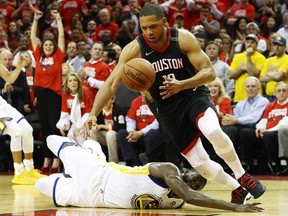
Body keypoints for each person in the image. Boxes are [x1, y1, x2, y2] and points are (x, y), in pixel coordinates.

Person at [84, 4, 266, 204]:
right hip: (166, 108)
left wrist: (182, 84)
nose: (148, 32)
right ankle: (237, 189)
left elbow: (209, 72)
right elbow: (110, 84)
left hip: (192, 94)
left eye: (153, 26)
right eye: (144, 28)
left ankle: (242, 176)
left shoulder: (182, 38)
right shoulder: (135, 49)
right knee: (199, 162)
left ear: (164, 22)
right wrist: (93, 113)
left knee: (212, 130)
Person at [35, 134, 263, 212]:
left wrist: (234, 206)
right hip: (99, 174)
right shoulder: (167, 171)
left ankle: (89, 151)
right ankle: (91, 147)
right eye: (193, 179)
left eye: (196, 184)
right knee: (54, 140)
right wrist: (234, 206)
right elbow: (190, 196)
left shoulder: (179, 200)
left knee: (40, 186)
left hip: (92, 199)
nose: (192, 184)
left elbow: (191, 197)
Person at [0, 49, 45, 184]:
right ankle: (18, 172)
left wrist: (19, 65)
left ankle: (29, 169)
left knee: (27, 129)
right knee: (16, 131)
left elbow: (10, 78)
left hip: (2, 104)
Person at [31, 10, 65, 174]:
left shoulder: (58, 56)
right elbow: (32, 38)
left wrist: (58, 19)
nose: (49, 46)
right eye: (46, 45)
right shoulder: (38, 57)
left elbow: (61, 38)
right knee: (44, 128)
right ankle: (46, 158)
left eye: (51, 44)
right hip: (41, 94)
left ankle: (57, 159)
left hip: (54, 95)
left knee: (54, 127)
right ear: (43, 47)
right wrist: (36, 20)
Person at [240, 82, 288, 175]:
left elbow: (285, 123)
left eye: (284, 90)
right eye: (279, 91)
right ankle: (248, 163)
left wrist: (267, 130)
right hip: (267, 132)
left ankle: (274, 163)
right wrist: (260, 129)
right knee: (246, 133)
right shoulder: (271, 105)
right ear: (275, 93)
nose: (281, 93)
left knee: (269, 135)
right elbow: (263, 120)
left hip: (279, 132)